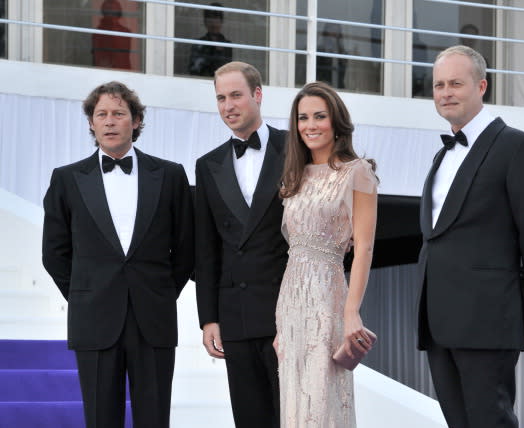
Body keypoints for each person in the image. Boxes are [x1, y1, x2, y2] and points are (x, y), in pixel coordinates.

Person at [417, 45, 524, 428]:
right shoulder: (441, 156)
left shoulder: (517, 146)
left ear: (482, 85)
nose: (445, 92)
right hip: (439, 320)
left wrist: (518, 304)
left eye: (456, 83)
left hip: (487, 320)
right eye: (438, 85)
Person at [42, 81, 194, 428]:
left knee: (154, 418)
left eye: (119, 113)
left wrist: (160, 291)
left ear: (136, 121)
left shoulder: (170, 175)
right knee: (100, 419)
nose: (110, 121)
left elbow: (186, 248)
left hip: (153, 318)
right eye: (102, 114)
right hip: (93, 319)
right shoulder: (67, 179)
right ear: (91, 124)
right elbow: (54, 252)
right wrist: (87, 294)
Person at [275, 81, 378, 427]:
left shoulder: (357, 171)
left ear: (336, 122)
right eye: (303, 118)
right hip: (290, 302)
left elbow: (363, 246)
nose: (311, 125)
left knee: (322, 401)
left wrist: (352, 312)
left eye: (319, 116)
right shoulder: (295, 176)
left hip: (327, 299)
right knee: (293, 401)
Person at [194, 61, 288, 428]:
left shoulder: (295, 146)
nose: (228, 105)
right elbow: (206, 248)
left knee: (293, 416)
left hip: (288, 310)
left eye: (236, 95)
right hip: (236, 315)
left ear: (258, 95)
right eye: (220, 98)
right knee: (250, 419)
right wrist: (209, 318)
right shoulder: (207, 165)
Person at [189, 2, 232, 77]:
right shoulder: (198, 44)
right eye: (210, 20)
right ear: (205, 22)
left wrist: (219, 53)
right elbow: (194, 71)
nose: (213, 24)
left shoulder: (226, 45)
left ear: (221, 21)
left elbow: (227, 71)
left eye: (216, 19)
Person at [92, 0, 134, 70]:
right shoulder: (98, 33)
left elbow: (124, 58)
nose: (111, 14)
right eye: (108, 11)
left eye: (113, 11)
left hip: (123, 72)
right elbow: (97, 57)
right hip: (103, 71)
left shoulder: (126, 32)